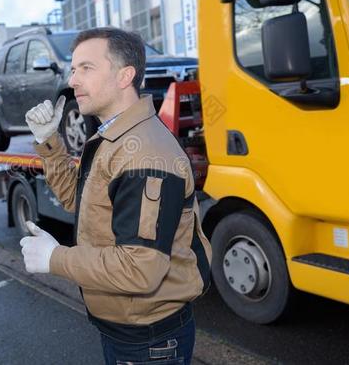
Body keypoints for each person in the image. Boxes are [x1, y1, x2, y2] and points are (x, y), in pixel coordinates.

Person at [20, 27, 212, 364]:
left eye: (86, 68)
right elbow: (78, 203)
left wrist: (56, 258)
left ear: (125, 76)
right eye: (74, 69)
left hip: (148, 340)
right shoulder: (113, 138)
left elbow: (141, 269)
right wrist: (50, 141)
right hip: (127, 328)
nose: (73, 80)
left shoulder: (144, 156)